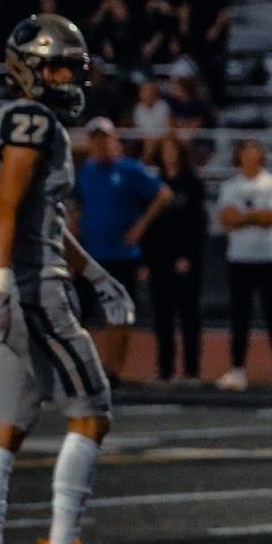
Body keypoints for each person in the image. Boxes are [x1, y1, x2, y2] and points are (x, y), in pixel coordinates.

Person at [0, 15, 131, 544]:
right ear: (27, 69)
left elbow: (42, 215)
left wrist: (93, 271)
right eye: (55, 66)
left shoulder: (15, 120)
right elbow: (10, 207)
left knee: (5, 427)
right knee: (92, 410)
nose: (66, 77)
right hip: (32, 287)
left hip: (15, 281)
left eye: (72, 66)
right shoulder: (32, 119)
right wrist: (2, 282)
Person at [72, 118, 173, 385]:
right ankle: (84, 369)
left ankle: (113, 369)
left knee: (117, 315)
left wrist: (140, 227)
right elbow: (76, 209)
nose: (100, 144)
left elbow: (163, 194)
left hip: (120, 255)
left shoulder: (129, 169)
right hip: (89, 254)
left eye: (105, 138)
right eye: (95, 139)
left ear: (115, 140)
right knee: (79, 314)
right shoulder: (86, 172)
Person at [215, 140, 272, 392]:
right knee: (240, 316)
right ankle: (237, 369)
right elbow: (226, 219)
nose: (250, 156)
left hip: (268, 257)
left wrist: (244, 217)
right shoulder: (230, 186)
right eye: (245, 151)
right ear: (239, 155)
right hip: (239, 258)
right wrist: (256, 217)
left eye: (254, 151)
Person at [143, 135, 207, 384]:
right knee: (162, 316)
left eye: (173, 149)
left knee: (189, 315)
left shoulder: (192, 182)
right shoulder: (152, 183)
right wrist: (146, 260)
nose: (169, 154)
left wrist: (189, 255)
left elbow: (198, 223)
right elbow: (148, 224)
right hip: (159, 256)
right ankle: (165, 370)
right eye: (165, 149)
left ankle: (191, 371)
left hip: (186, 258)